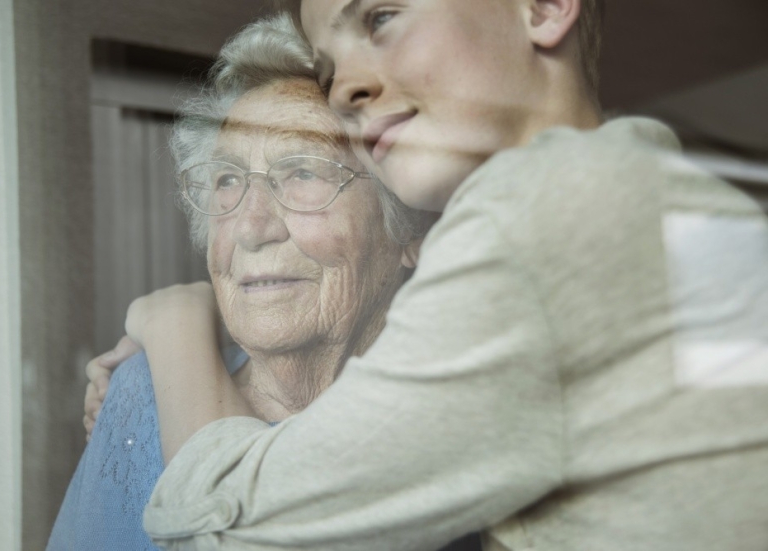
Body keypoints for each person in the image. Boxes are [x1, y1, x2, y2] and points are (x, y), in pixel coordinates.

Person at [108, 1, 768, 549]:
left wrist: (170, 323)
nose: (345, 88)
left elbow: (223, 530)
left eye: (380, 18)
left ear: (541, 8)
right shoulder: (675, 201)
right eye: (329, 66)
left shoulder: (543, 216)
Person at [48, 13, 452, 550]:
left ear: (408, 221)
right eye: (228, 180)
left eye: (304, 172)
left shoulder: (458, 417)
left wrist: (172, 319)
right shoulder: (141, 395)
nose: (250, 227)